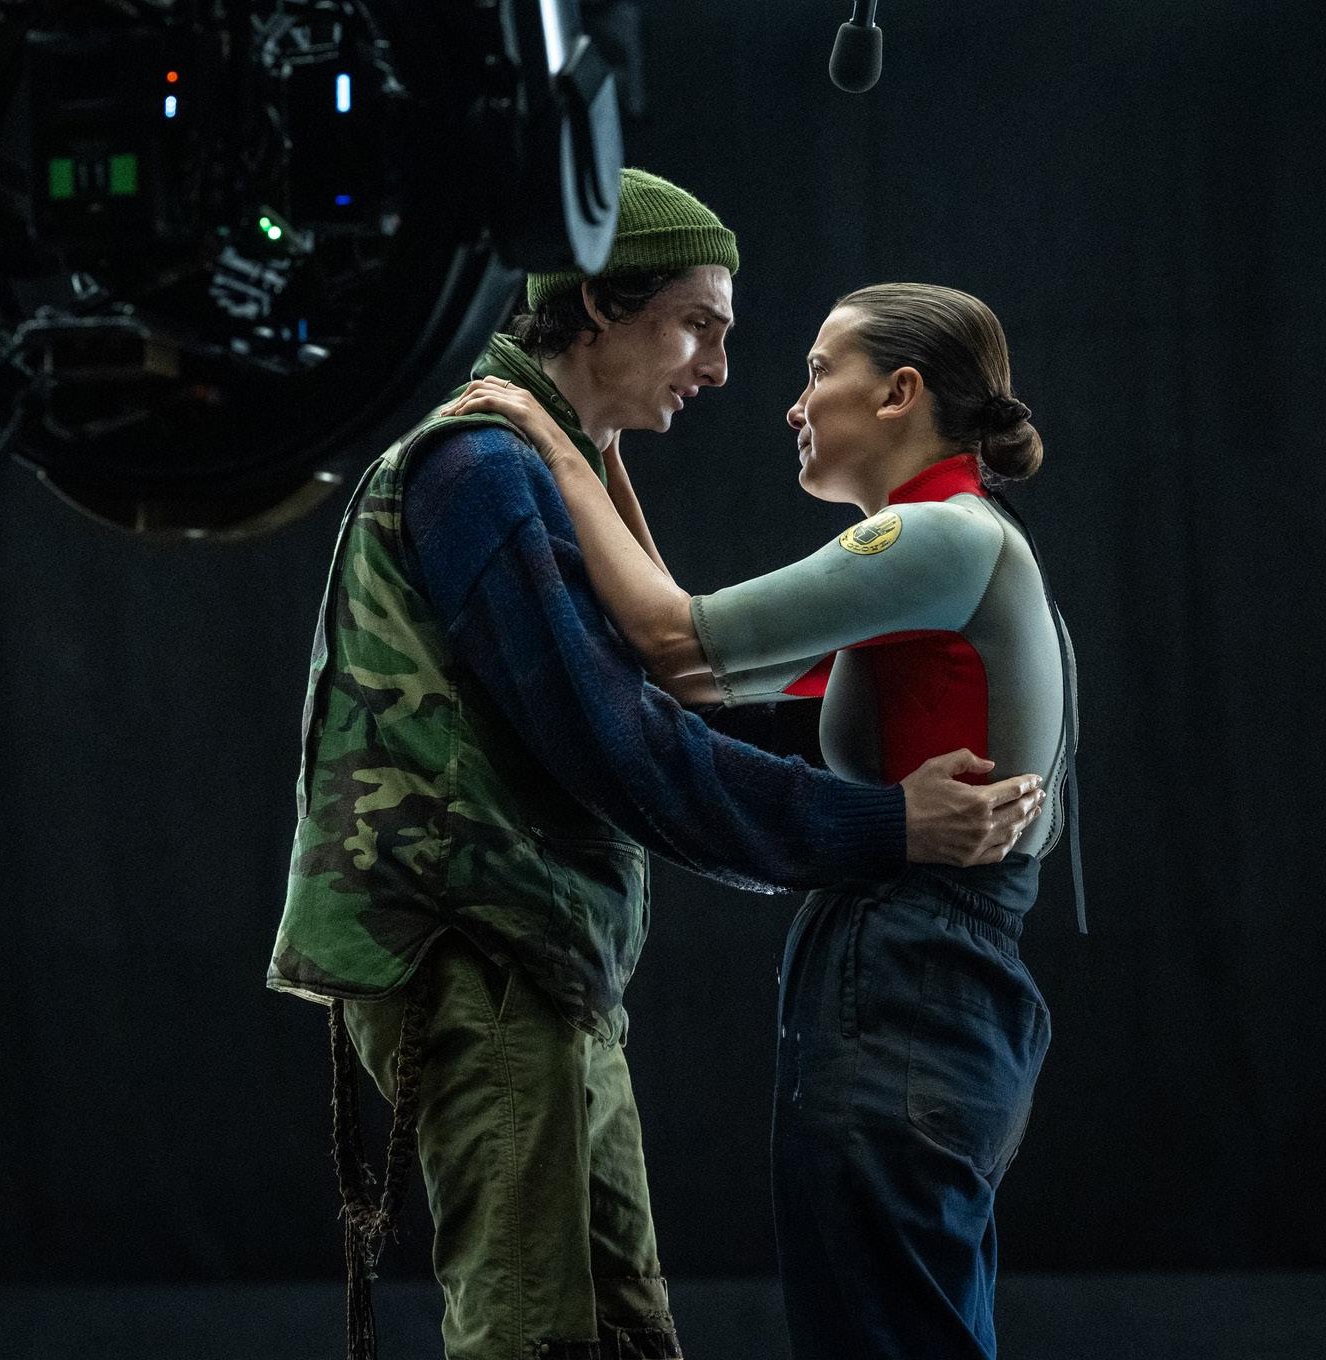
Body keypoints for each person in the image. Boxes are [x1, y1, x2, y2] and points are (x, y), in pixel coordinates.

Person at [267, 169, 1047, 1360]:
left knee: (622, 1326)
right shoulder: (482, 467)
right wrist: (883, 826)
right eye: (698, 325)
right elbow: (630, 737)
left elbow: (669, 679)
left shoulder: (535, 466)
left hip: (539, 956)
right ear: (596, 303)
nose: (725, 372)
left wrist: (591, 454)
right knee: (538, 1330)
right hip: (479, 949)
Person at [443, 281, 1077, 1359]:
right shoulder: (946, 556)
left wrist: (547, 440)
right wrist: (601, 460)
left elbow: (676, 644)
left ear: (900, 393)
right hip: (931, 985)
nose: (794, 403)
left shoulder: (930, 538)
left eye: (819, 372)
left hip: (913, 977)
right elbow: (697, 672)